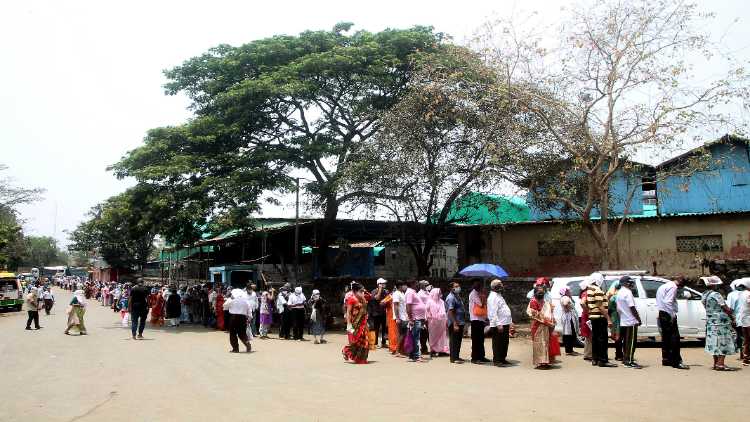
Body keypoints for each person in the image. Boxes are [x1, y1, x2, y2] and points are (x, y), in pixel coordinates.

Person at [701, 275, 737, 371]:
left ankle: (716, 363)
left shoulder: (704, 295)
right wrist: (732, 315)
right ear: (714, 285)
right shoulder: (716, 295)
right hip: (721, 322)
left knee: (713, 342)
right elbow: (725, 307)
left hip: (710, 322)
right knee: (722, 342)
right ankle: (720, 364)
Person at [655, 275, 690, 369]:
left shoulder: (664, 286)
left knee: (666, 337)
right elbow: (668, 302)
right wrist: (672, 315)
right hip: (667, 314)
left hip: (662, 312)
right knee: (674, 338)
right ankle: (676, 361)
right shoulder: (673, 287)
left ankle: (666, 359)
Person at [585, 273, 616, 367]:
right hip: (600, 317)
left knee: (595, 338)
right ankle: (603, 360)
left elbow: (591, 303)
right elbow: (600, 306)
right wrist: (608, 319)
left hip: (593, 317)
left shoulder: (590, 289)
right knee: (602, 339)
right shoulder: (597, 289)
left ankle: (595, 359)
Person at [616, 276, 643, 369]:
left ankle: (625, 359)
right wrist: (638, 319)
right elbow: (632, 307)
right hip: (630, 321)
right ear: (625, 283)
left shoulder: (619, 292)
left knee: (625, 342)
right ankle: (629, 361)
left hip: (623, 320)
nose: (631, 284)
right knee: (631, 342)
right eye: (630, 282)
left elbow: (618, 309)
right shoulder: (628, 292)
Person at [342, 282, 370, 364]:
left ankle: (361, 358)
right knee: (355, 341)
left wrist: (366, 322)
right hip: (355, 323)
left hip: (363, 323)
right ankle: (346, 350)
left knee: (365, 341)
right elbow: (348, 312)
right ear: (354, 291)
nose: (362, 293)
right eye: (360, 291)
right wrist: (349, 324)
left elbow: (365, 311)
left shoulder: (363, 299)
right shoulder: (351, 299)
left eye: (362, 291)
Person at [527, 286, 555, 369]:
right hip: (537, 325)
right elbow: (535, 315)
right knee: (539, 344)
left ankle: (545, 362)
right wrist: (548, 322)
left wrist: (552, 320)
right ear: (535, 293)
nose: (541, 293)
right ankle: (540, 363)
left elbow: (549, 313)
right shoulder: (533, 302)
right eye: (539, 292)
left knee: (545, 343)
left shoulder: (545, 302)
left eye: (542, 292)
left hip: (546, 326)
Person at [487, 279, 513, 366]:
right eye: (500, 284)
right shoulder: (492, 297)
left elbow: (503, 309)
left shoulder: (499, 295)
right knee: (498, 342)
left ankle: (502, 358)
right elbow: (492, 312)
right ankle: (497, 360)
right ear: (495, 287)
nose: (502, 286)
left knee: (505, 342)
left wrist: (510, 321)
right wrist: (498, 324)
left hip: (505, 322)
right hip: (499, 324)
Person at [226, 285, 253, 353]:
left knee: (233, 333)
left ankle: (235, 349)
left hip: (233, 317)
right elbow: (249, 309)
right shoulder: (245, 300)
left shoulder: (232, 299)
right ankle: (247, 344)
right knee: (242, 333)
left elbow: (225, 306)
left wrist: (229, 299)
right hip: (242, 318)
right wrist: (249, 317)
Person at [405, 280, 427, 362]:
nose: (418, 285)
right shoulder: (410, 292)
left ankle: (413, 355)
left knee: (415, 337)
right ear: (412, 284)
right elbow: (408, 306)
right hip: (415, 319)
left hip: (417, 318)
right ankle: (416, 356)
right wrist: (410, 319)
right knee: (416, 338)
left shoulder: (413, 292)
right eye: (417, 283)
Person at [468, 280, 489, 364]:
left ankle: (481, 356)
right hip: (475, 319)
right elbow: (481, 304)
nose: (479, 286)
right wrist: (483, 296)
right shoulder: (473, 294)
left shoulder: (477, 293)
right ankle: (475, 357)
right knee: (476, 339)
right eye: (478, 284)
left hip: (480, 319)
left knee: (481, 339)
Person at [445, 282, 466, 364]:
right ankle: (453, 358)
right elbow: (450, 311)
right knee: (454, 340)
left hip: (460, 321)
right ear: (451, 288)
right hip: (455, 322)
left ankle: (456, 356)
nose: (458, 287)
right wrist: (455, 323)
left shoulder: (457, 296)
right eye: (456, 286)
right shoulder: (451, 298)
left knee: (458, 340)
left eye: (458, 286)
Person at [727, 280, 747, 362]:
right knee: (744, 336)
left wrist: (732, 318)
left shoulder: (732, 295)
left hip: (738, 318)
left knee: (741, 336)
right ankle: (745, 355)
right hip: (745, 318)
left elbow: (730, 308)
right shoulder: (747, 293)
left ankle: (743, 355)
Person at [425, 287, 449, 358]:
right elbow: (427, 311)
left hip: (441, 322)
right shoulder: (429, 301)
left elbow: (444, 310)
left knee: (442, 337)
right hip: (433, 322)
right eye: (438, 293)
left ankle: (442, 350)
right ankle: (433, 350)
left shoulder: (441, 301)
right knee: (433, 336)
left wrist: (444, 317)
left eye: (440, 293)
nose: (439, 294)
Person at [368, 278, 389, 348]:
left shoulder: (386, 291)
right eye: (383, 283)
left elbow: (388, 300)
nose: (384, 284)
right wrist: (380, 289)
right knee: (376, 328)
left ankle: (383, 342)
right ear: (379, 284)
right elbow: (377, 298)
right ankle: (375, 343)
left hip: (383, 312)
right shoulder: (374, 291)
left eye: (384, 283)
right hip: (375, 313)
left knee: (384, 328)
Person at [559, 286, 580, 356]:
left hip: (568, 317)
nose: (569, 292)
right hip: (568, 318)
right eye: (568, 291)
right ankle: (569, 350)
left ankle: (570, 350)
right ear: (565, 292)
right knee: (569, 334)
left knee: (568, 333)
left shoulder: (565, 297)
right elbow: (565, 304)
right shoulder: (565, 298)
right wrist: (568, 308)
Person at [380, 289, 400, 355]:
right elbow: (381, 303)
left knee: (399, 332)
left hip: (399, 316)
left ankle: (399, 348)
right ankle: (393, 348)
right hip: (391, 317)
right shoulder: (390, 296)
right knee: (393, 333)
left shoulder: (401, 294)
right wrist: (388, 298)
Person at [391, 281, 408, 357]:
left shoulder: (402, 293)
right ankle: (397, 351)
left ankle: (401, 350)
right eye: (404, 285)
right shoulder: (396, 294)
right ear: (400, 286)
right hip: (400, 317)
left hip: (404, 316)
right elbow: (396, 306)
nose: (405, 287)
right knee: (401, 334)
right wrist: (397, 317)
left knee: (404, 334)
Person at [607, 281, 623, 361]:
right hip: (620, 317)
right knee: (620, 336)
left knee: (616, 335)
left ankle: (618, 354)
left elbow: (608, 308)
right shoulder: (620, 296)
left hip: (614, 317)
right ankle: (620, 354)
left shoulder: (612, 297)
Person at [578, 280, 593, 360]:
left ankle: (588, 353)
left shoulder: (584, 293)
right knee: (590, 335)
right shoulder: (586, 293)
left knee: (589, 335)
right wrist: (588, 312)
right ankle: (588, 354)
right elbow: (582, 303)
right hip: (587, 316)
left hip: (586, 315)